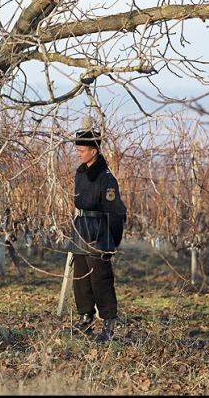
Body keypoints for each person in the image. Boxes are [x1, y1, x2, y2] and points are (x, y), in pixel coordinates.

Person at [68, 128, 127, 342]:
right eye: (77, 150)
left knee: (100, 280)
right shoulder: (80, 173)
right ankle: (85, 319)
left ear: (94, 151)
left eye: (82, 150)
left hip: (99, 231)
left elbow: (116, 211)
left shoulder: (106, 179)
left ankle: (108, 325)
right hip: (81, 229)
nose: (78, 154)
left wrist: (112, 240)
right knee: (80, 280)